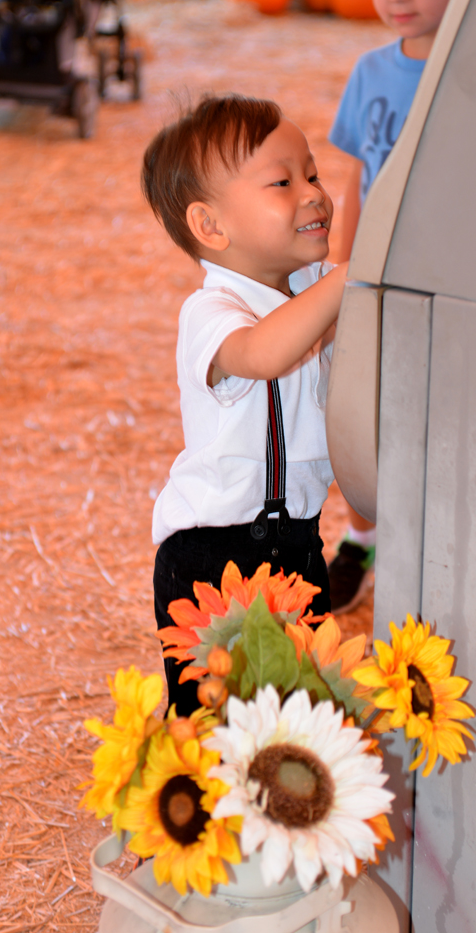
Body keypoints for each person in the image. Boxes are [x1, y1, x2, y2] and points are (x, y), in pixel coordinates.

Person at [141, 94, 348, 716]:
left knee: (308, 724)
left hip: (301, 550)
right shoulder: (212, 311)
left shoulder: (319, 287)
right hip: (211, 557)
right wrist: (347, 282)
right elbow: (263, 354)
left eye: (312, 173)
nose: (313, 193)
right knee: (214, 730)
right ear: (212, 228)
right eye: (282, 182)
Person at [325, 0, 476, 612]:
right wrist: (340, 275)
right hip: (379, 279)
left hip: (454, 284)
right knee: (362, 414)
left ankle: (433, 548)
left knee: (443, 421)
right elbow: (357, 179)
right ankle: (362, 534)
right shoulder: (370, 74)